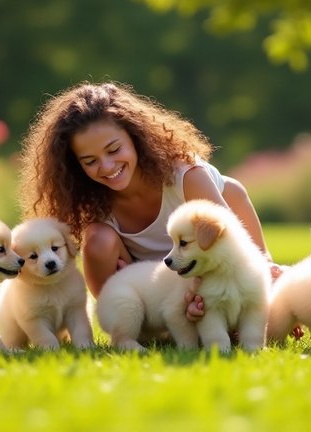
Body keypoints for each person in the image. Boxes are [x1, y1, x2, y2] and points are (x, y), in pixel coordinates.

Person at [17, 81, 281, 322]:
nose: (107, 166)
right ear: (76, 166)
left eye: (114, 149)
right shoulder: (91, 202)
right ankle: (145, 323)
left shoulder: (185, 175)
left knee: (230, 189)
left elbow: (231, 251)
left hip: (212, 269)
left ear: (136, 138)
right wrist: (137, 285)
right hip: (151, 291)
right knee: (97, 239)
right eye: (90, 161)